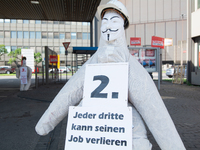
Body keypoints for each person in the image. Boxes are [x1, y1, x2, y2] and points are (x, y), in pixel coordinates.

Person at [36, 0, 185, 149]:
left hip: (118, 123)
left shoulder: (131, 67)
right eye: (105, 21)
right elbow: (69, 92)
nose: (108, 26)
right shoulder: (94, 62)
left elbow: (155, 110)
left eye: (114, 21)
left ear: (123, 25)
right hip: (90, 123)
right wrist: (46, 122)